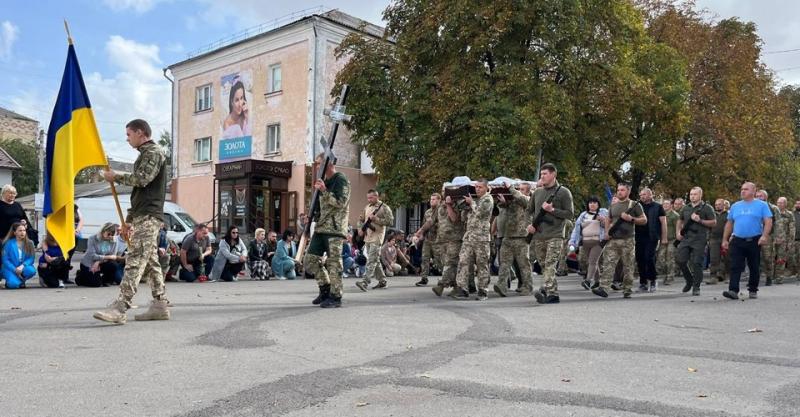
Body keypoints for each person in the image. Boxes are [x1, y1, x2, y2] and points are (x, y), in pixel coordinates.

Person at [93, 119, 171, 324]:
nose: (127, 139)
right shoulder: (145, 154)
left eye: (129, 134)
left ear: (140, 133)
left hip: (149, 215)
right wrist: (128, 222)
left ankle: (121, 308)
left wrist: (115, 176)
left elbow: (142, 179)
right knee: (152, 262)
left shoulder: (154, 152)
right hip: (142, 214)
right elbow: (139, 193)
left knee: (135, 260)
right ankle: (160, 305)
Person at [304, 152, 350, 308]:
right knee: (309, 260)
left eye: (319, 163)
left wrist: (324, 190)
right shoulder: (322, 181)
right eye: (316, 163)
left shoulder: (340, 179)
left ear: (329, 164)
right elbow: (319, 207)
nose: (317, 167)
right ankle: (325, 289)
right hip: (321, 227)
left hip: (335, 229)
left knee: (334, 263)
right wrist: (310, 217)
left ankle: (336, 296)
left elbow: (341, 202)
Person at [527, 164, 575, 304]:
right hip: (539, 235)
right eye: (541, 174)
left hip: (555, 234)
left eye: (545, 174)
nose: (542, 176)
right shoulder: (537, 192)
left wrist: (552, 210)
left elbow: (570, 214)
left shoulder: (563, 192)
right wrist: (528, 226)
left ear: (554, 175)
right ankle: (551, 291)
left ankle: (547, 291)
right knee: (543, 265)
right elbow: (528, 211)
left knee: (550, 264)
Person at [593, 183, 646, 299]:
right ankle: (604, 288)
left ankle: (627, 289)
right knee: (608, 263)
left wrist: (631, 219)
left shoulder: (634, 205)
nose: (619, 192)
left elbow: (644, 220)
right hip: (613, 239)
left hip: (628, 240)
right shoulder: (613, 206)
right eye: (618, 190)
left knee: (628, 266)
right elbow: (608, 219)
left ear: (628, 191)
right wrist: (607, 232)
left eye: (622, 190)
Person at [722, 182, 773, 300]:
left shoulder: (761, 205)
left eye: (746, 189)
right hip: (737, 240)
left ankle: (753, 289)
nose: (742, 191)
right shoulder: (735, 206)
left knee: (754, 266)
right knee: (735, 265)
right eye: (741, 189)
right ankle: (733, 290)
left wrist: (764, 236)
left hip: (754, 240)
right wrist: (725, 239)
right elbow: (729, 223)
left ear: (753, 191)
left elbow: (768, 221)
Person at [452, 178, 494, 301]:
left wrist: (471, 203)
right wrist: (465, 207)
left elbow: (481, 213)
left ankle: (483, 290)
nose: (477, 189)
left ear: (486, 187)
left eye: (480, 187)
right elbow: (464, 218)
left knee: (482, 264)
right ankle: (462, 288)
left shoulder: (487, 199)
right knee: (463, 261)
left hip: (481, 238)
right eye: (476, 187)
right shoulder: (476, 201)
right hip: (469, 237)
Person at [493, 181, 533, 297]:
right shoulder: (513, 201)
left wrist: (511, 188)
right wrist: (503, 200)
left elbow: (522, 199)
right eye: (518, 189)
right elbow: (502, 207)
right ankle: (502, 286)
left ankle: (527, 286)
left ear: (528, 191)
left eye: (522, 189)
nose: (519, 191)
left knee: (523, 264)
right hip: (508, 235)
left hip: (521, 237)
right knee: (504, 263)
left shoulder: (529, 200)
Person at [675, 187, 716, 295]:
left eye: (695, 194)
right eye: (691, 194)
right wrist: (678, 232)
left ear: (700, 195)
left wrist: (700, 220)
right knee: (680, 260)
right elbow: (680, 220)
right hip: (686, 238)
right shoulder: (685, 208)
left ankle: (696, 287)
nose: (692, 196)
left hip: (699, 238)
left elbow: (713, 222)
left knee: (697, 263)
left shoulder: (707, 208)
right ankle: (689, 280)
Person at [355, 189, 394, 291]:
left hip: (377, 237)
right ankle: (382, 281)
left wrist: (376, 219)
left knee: (372, 260)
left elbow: (390, 221)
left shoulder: (384, 207)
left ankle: (365, 282)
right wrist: (360, 229)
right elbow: (360, 219)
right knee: (375, 260)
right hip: (368, 237)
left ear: (377, 197)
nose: (369, 199)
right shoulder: (367, 207)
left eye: (371, 197)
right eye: (368, 197)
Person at [568, 196, 608, 290]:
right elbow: (576, 229)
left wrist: (603, 220)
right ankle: (598, 281)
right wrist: (573, 241)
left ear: (598, 204)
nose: (592, 204)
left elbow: (608, 225)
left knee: (592, 261)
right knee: (592, 262)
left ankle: (588, 281)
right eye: (590, 203)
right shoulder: (583, 215)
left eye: (595, 203)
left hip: (598, 241)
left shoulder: (603, 213)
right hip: (585, 241)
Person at [634, 188, 667, 292]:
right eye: (641, 195)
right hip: (639, 236)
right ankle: (643, 282)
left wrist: (664, 237)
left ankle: (653, 280)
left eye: (644, 194)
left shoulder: (658, 207)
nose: (642, 196)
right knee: (640, 259)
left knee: (649, 258)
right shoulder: (637, 206)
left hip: (652, 236)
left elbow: (663, 222)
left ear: (650, 195)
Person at [76, 223, 123, 287]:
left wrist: (98, 262)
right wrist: (107, 257)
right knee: (95, 284)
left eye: (112, 235)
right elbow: (92, 255)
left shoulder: (114, 240)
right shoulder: (92, 238)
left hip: (102, 262)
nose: (110, 236)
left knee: (113, 264)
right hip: (89, 263)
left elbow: (112, 256)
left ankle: (104, 280)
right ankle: (80, 276)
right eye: (108, 234)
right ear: (103, 230)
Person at [414, 193, 442, 287]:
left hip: (438, 239)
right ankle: (424, 278)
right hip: (428, 239)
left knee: (439, 260)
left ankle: (444, 277)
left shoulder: (441, 211)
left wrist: (419, 232)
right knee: (425, 258)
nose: (431, 201)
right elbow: (424, 225)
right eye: (431, 199)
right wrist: (421, 235)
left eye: (434, 199)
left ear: (439, 200)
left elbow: (433, 223)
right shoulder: (427, 212)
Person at [755, 190, 780, 286]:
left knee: (767, 257)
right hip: (755, 235)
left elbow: (778, 223)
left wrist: (777, 237)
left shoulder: (773, 208)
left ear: (765, 197)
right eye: (756, 196)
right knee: (754, 257)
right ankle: (754, 279)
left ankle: (769, 277)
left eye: (760, 196)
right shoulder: (754, 207)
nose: (758, 197)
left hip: (768, 236)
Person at [2, 222, 36, 289]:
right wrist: (15, 269)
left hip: (23, 267)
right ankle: (15, 281)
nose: (22, 232)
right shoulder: (8, 243)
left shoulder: (30, 243)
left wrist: (22, 266)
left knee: (31, 271)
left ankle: (21, 280)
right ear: (15, 232)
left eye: (24, 230)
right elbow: (5, 260)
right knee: (13, 285)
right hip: (11, 268)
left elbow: (31, 258)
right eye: (20, 230)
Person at [657, 199, 679, 285]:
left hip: (672, 240)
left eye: (667, 204)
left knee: (670, 258)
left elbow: (678, 228)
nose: (665, 205)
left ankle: (670, 276)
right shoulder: (661, 214)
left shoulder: (675, 215)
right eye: (664, 204)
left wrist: (678, 239)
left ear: (671, 205)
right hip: (662, 239)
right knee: (660, 258)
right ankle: (666, 274)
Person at [773, 197, 795, 284]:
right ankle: (770, 276)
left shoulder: (789, 214)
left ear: (785, 204)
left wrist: (790, 242)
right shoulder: (772, 213)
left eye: (781, 203)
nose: (779, 204)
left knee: (781, 259)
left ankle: (779, 277)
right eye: (778, 202)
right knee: (770, 258)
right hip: (773, 239)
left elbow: (792, 229)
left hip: (783, 240)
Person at [707, 198, 729, 284]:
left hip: (726, 238)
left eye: (719, 204)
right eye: (716, 205)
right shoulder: (712, 215)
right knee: (714, 258)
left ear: (724, 205)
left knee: (727, 258)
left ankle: (727, 275)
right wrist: (708, 239)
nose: (717, 206)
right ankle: (713, 277)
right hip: (714, 239)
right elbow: (708, 228)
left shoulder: (728, 214)